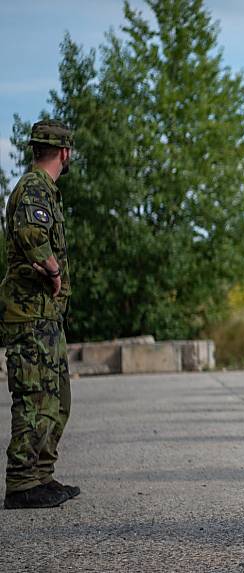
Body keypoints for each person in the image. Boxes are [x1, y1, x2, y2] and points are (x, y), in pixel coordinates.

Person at [1, 120, 79, 509]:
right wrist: (53, 270)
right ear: (64, 152)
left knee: (56, 398)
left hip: (44, 314)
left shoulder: (43, 188)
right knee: (35, 396)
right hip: (29, 313)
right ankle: (21, 483)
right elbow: (33, 235)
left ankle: (40, 476)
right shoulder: (34, 187)